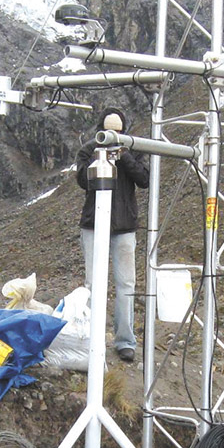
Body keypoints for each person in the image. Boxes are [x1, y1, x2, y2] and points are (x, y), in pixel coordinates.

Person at [74, 107, 150, 362]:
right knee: (93, 284)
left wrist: (124, 156)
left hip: (124, 227)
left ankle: (125, 341)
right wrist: (101, 158)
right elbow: (84, 181)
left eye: (117, 132)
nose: (113, 136)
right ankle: (92, 340)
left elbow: (144, 178)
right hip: (94, 224)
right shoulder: (88, 150)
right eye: (108, 132)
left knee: (126, 285)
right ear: (100, 130)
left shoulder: (133, 148)